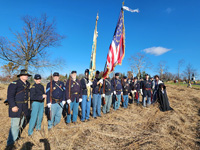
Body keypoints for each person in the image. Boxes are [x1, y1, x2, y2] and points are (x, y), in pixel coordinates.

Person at [6, 69, 31, 147]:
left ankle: (16, 137)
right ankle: (10, 143)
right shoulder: (14, 83)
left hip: (24, 107)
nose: (26, 76)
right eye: (24, 75)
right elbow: (10, 96)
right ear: (20, 76)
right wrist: (13, 106)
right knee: (15, 125)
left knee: (20, 124)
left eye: (27, 75)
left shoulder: (28, 83)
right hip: (16, 106)